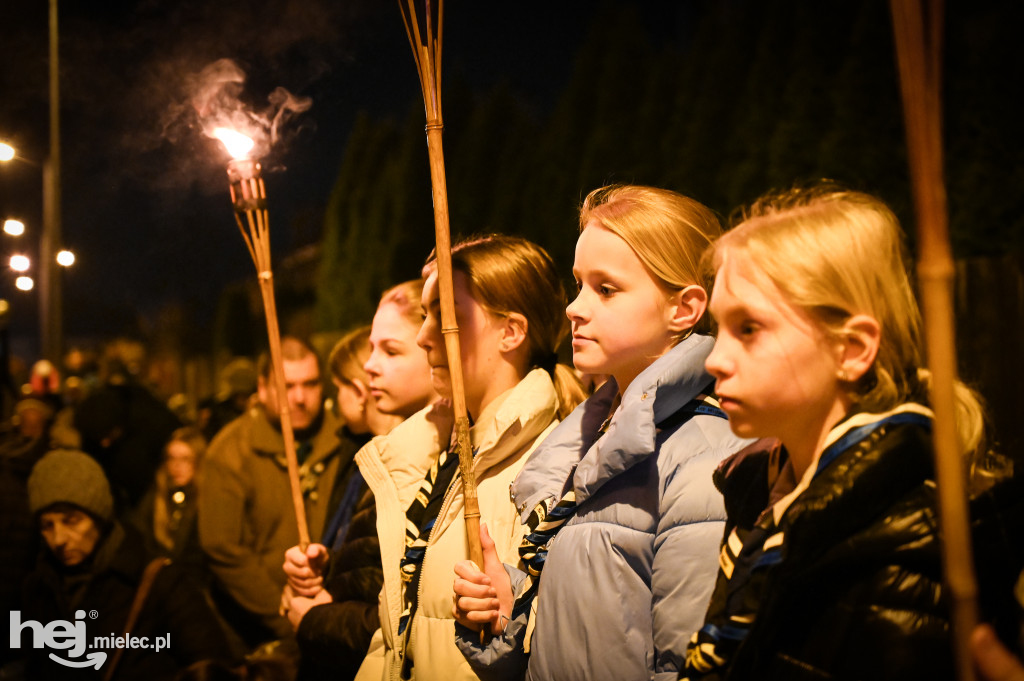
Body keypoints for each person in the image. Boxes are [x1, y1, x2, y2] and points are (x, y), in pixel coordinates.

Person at [678, 185, 1024, 681]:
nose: (714, 359)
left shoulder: (912, 553)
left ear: (852, 349)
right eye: (720, 328)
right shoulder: (768, 498)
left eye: (749, 328)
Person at [451, 185, 748, 681]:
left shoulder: (703, 460)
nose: (575, 307)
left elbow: (687, 665)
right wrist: (511, 617)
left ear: (685, 307)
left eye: (606, 289)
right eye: (578, 284)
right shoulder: (590, 445)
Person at [351, 236, 586, 681]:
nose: (423, 337)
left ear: (510, 332)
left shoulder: (548, 469)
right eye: (425, 316)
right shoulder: (439, 454)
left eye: (446, 318)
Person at [280, 281, 438, 681]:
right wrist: (327, 569)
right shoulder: (380, 457)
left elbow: (411, 618)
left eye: (390, 350)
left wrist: (318, 618)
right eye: (371, 348)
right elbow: (374, 573)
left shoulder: (435, 462)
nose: (369, 366)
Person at [12, 448, 233, 680]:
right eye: (47, 526)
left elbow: (213, 666)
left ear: (99, 518)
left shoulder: (158, 582)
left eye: (71, 521)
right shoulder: (39, 588)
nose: (59, 539)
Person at [199, 336, 345, 649]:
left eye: (310, 384)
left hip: (334, 622)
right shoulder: (230, 451)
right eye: (288, 386)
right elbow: (223, 548)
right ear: (263, 388)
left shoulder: (344, 442)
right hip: (255, 633)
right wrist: (284, 616)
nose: (300, 397)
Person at [131, 426, 210, 586]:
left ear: (199, 461)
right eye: (171, 458)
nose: (176, 465)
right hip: (159, 582)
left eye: (185, 459)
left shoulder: (208, 499)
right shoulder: (157, 495)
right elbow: (138, 534)